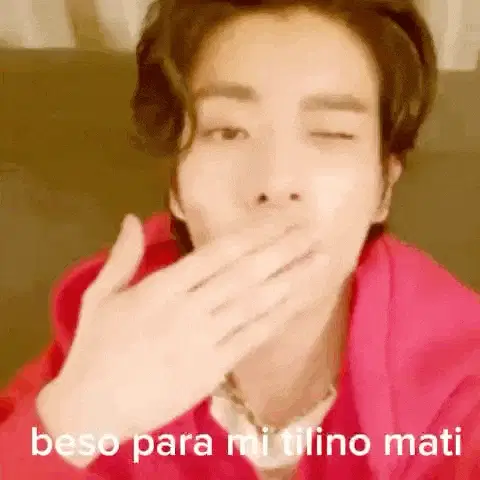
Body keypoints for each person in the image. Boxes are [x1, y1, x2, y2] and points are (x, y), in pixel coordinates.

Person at [0, 0, 479, 478]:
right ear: (176, 188)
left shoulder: (463, 384)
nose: (276, 182)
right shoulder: (103, 337)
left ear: (384, 190)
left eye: (331, 133)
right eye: (228, 131)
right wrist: (78, 416)